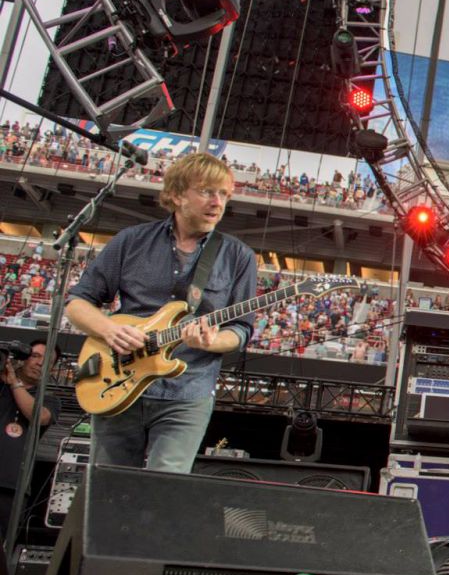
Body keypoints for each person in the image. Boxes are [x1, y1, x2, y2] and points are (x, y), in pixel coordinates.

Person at [65, 152, 257, 473]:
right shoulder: (131, 240)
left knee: (162, 489)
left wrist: (211, 341)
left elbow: (240, 330)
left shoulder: (238, 256)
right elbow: (77, 303)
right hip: (118, 382)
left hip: (188, 391)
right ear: (177, 194)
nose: (217, 202)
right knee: (108, 487)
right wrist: (109, 330)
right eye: (207, 191)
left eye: (224, 194)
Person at [0, 338, 59, 545]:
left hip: (12, 487)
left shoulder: (49, 399)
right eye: (35, 356)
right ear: (23, 358)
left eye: (48, 361)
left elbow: (39, 417)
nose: (40, 363)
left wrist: (14, 383)